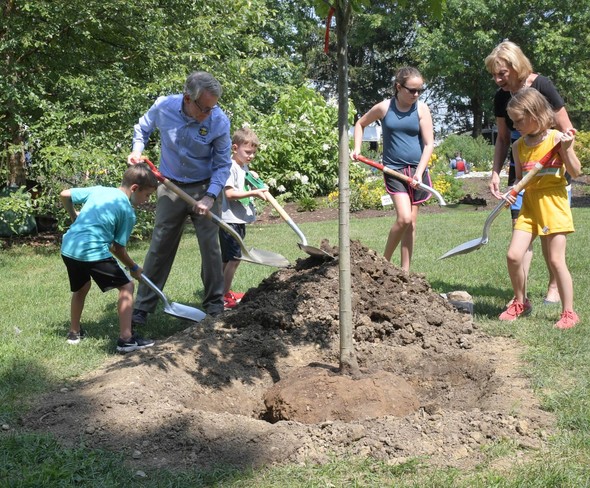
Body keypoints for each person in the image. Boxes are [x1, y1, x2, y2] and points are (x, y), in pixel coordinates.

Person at [128, 71, 232, 323]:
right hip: (170, 185)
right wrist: (136, 150)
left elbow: (222, 164)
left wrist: (210, 197)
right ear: (188, 98)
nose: (209, 113)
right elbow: (142, 128)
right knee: (160, 245)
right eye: (205, 107)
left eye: (213, 107)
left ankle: (215, 305)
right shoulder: (163, 106)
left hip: (205, 186)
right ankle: (143, 306)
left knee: (211, 249)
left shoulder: (218, 121)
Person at [485, 41, 574, 305]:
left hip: (550, 172)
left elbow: (565, 128)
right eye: (493, 74)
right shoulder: (501, 97)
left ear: (516, 65)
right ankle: (520, 297)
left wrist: (563, 155)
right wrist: (495, 172)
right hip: (521, 171)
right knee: (520, 229)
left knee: (550, 236)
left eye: (501, 73)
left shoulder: (542, 86)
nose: (497, 79)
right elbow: (502, 138)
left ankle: (554, 287)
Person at [500, 89, 581, 328]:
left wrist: (566, 150)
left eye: (518, 120)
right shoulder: (518, 146)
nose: (515, 125)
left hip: (553, 202)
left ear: (535, 114)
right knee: (514, 256)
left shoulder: (557, 139)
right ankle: (520, 301)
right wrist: (511, 190)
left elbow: (575, 172)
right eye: (512, 121)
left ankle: (569, 312)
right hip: (529, 204)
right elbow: (519, 179)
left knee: (556, 260)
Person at [60, 163, 158, 353]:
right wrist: (134, 267)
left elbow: (65, 194)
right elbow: (117, 248)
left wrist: (73, 216)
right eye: (147, 195)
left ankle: (74, 333)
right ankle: (126, 340)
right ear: (135, 188)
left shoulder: (99, 190)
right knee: (127, 286)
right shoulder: (127, 212)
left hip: (69, 247)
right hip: (91, 251)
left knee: (81, 287)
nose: (146, 200)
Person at [352, 66, 434, 272]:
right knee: (404, 218)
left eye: (420, 91)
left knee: (412, 224)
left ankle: (405, 271)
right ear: (398, 87)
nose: (416, 94)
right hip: (393, 171)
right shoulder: (384, 107)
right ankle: (383, 263)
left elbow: (429, 144)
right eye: (412, 90)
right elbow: (360, 124)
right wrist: (356, 148)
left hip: (417, 171)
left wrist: (418, 173)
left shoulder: (422, 109)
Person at [219, 127, 268, 310]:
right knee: (234, 259)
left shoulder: (242, 166)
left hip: (237, 220)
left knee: (228, 259)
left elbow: (244, 177)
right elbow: (230, 193)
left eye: (253, 153)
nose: (251, 156)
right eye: (248, 152)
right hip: (229, 220)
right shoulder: (229, 167)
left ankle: (224, 291)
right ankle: (222, 297)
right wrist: (254, 192)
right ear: (234, 148)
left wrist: (251, 175)